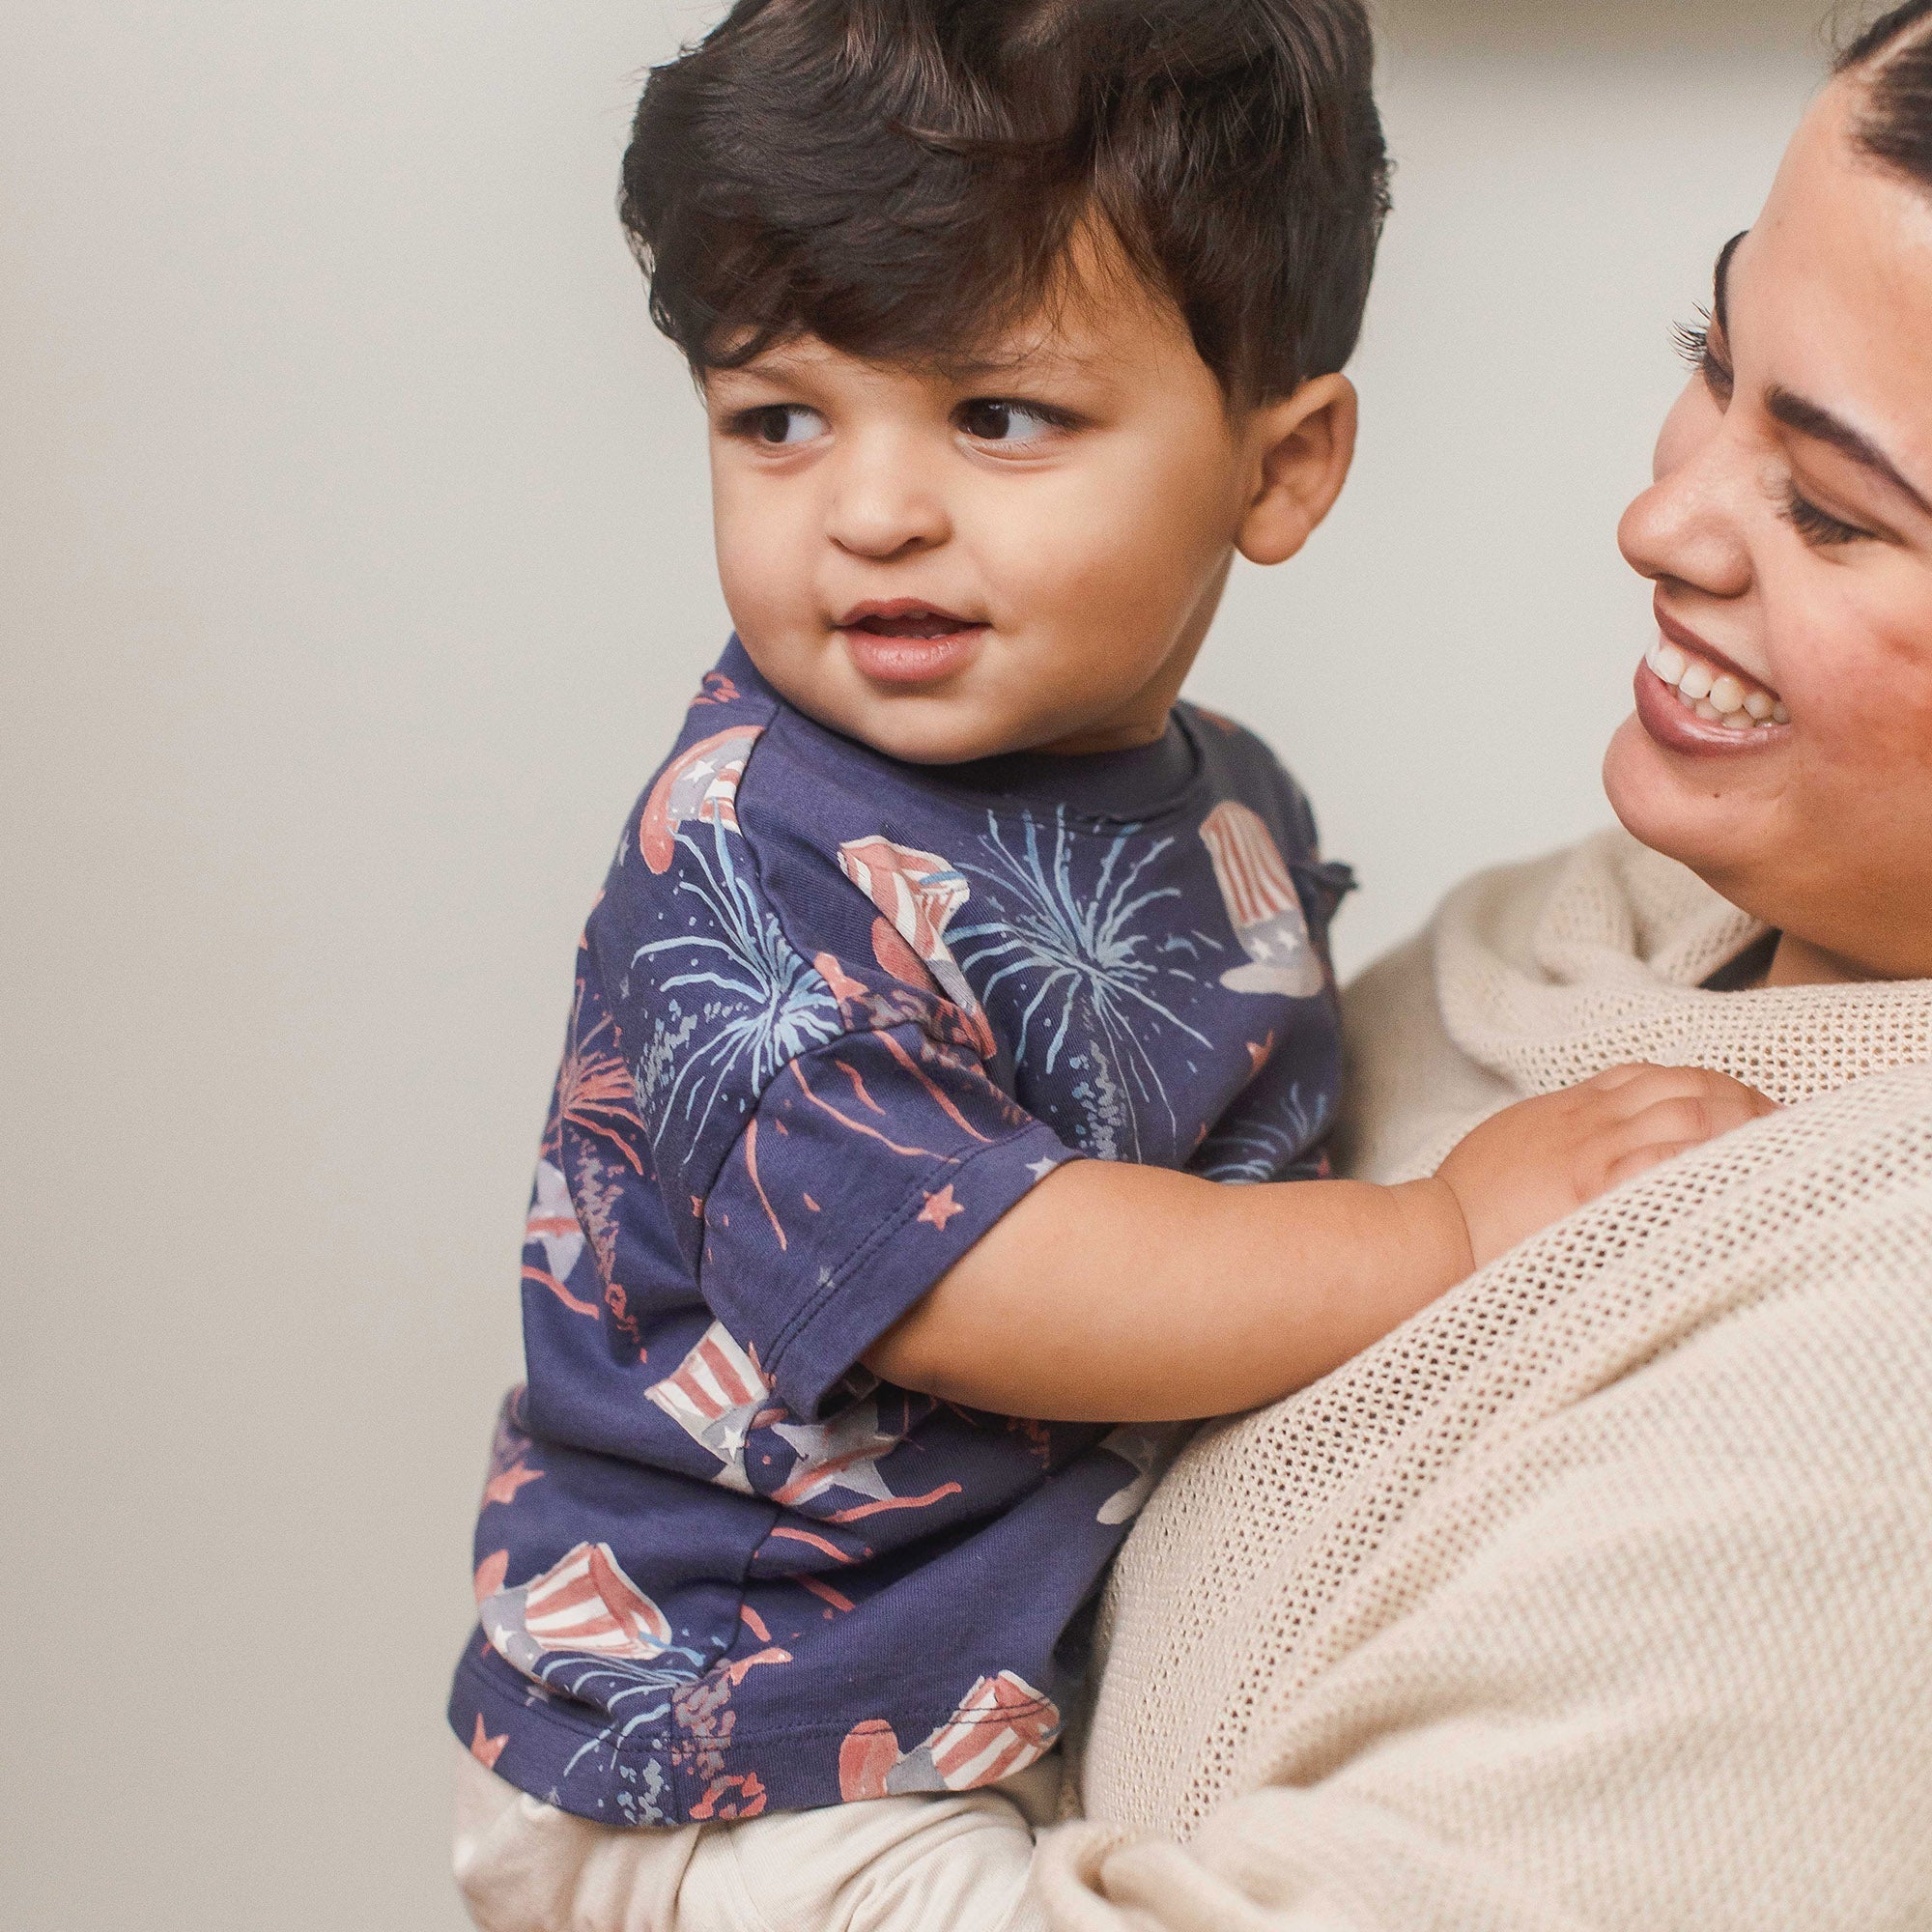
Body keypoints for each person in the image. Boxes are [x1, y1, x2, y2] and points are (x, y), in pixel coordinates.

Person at [446, 2, 1766, 1927]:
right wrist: (1449, 1235)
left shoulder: (1221, 806)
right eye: (778, 416)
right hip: (742, 1754)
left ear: (1282, 465)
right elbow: (982, 1276)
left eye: (997, 417)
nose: (872, 507)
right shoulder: (748, 858)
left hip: (992, 1699)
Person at [1037, 6, 1932, 1926]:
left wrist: (658, 1870)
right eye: (1713, 355)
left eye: (1837, 510)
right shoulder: (1573, 933)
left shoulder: (1882, 1428)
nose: (1657, 519)